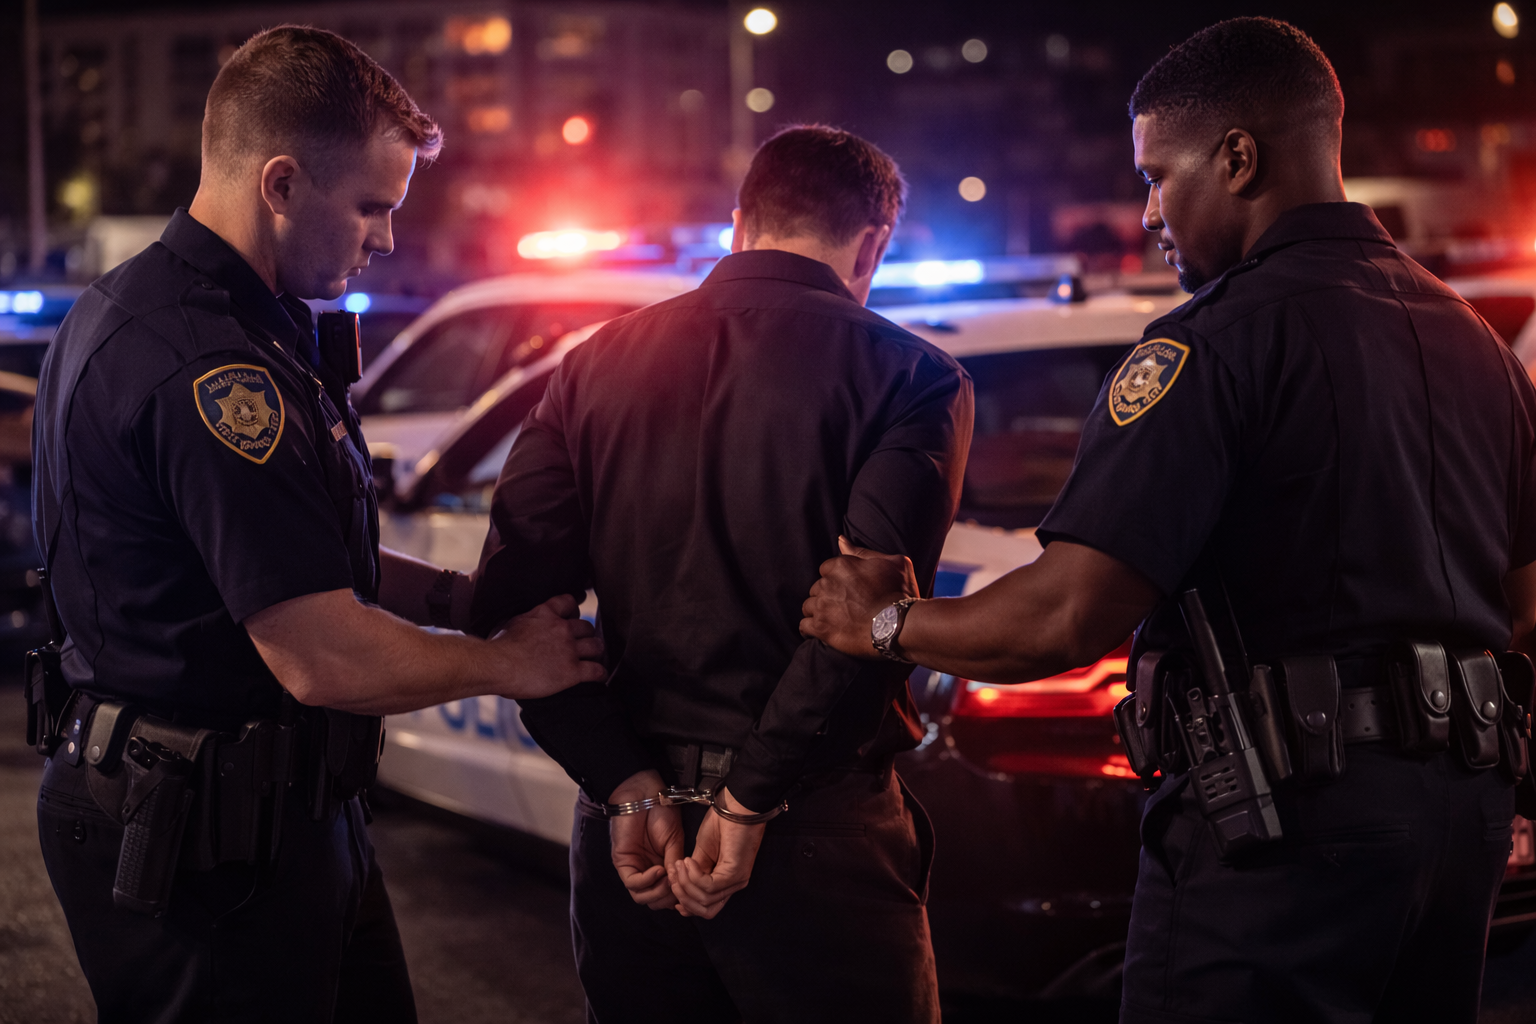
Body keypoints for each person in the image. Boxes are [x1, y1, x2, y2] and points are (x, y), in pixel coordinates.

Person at [801, 18, 1536, 1024]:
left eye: (1157, 174)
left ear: (1237, 157)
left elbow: (1065, 615)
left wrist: (884, 622)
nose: (1147, 209)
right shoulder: (1474, 342)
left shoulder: (1211, 347)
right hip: (1460, 824)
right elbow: (1526, 604)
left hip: (1284, 830)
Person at [31, 26, 602, 1023]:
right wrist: (510, 664)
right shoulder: (207, 369)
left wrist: (462, 600)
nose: (385, 236)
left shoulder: (179, 313)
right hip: (200, 837)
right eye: (372, 206)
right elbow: (322, 654)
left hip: (260, 813)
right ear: (282, 183)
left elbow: (287, 556)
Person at [471, 125, 973, 1022]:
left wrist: (620, 781)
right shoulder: (912, 376)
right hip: (814, 830)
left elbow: (518, 614)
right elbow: (863, 616)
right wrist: (747, 803)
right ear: (872, 244)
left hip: (636, 829)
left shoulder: (588, 366)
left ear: (739, 225)